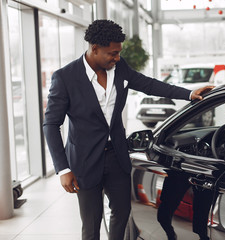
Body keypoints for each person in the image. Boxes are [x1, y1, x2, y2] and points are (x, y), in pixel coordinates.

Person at [43, 19, 214, 240]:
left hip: (116, 156)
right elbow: (51, 124)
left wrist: (188, 94)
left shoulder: (119, 67)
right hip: (84, 161)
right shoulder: (65, 77)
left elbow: (150, 85)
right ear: (94, 49)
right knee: (91, 223)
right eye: (112, 53)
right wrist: (63, 169)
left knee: (122, 214)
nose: (117, 58)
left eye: (118, 53)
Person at [157, 171, 213, 240]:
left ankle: (203, 237)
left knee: (201, 214)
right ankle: (171, 235)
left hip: (204, 173)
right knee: (163, 215)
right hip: (180, 170)